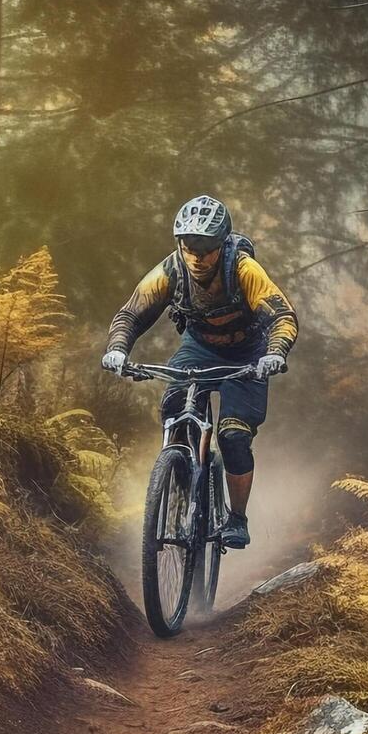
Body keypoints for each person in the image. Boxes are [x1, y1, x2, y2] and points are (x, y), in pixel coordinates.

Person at [100, 195, 298, 550]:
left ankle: (237, 518)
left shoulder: (243, 269)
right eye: (189, 245)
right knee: (174, 412)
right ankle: (180, 478)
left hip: (247, 354)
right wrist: (117, 349)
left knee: (234, 436)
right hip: (199, 348)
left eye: (206, 247)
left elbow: (282, 317)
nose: (196, 255)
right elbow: (131, 313)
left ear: (221, 245)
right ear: (180, 243)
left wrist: (275, 353)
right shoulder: (170, 270)